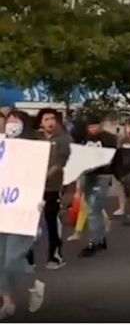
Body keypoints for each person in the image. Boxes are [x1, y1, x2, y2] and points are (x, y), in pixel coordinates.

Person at [0, 110, 45, 319]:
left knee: (12, 259)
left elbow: (39, 179)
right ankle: (7, 301)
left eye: (15, 120)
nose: (11, 124)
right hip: (3, 211)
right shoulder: (3, 148)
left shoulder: (35, 149)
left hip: (23, 212)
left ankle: (33, 285)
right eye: (8, 120)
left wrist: (39, 200)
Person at [36, 108, 71, 269]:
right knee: (31, 221)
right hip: (34, 186)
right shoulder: (36, 139)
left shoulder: (64, 139)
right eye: (46, 119)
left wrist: (46, 176)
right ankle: (28, 258)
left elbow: (60, 163)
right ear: (41, 123)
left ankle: (55, 255)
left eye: (52, 119)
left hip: (53, 186)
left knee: (52, 220)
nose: (50, 122)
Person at [79, 114, 118, 257]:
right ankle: (100, 239)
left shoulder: (108, 138)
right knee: (93, 209)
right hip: (89, 176)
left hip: (101, 175)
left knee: (93, 210)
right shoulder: (87, 138)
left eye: (95, 126)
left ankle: (94, 241)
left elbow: (109, 158)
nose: (92, 129)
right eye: (90, 126)